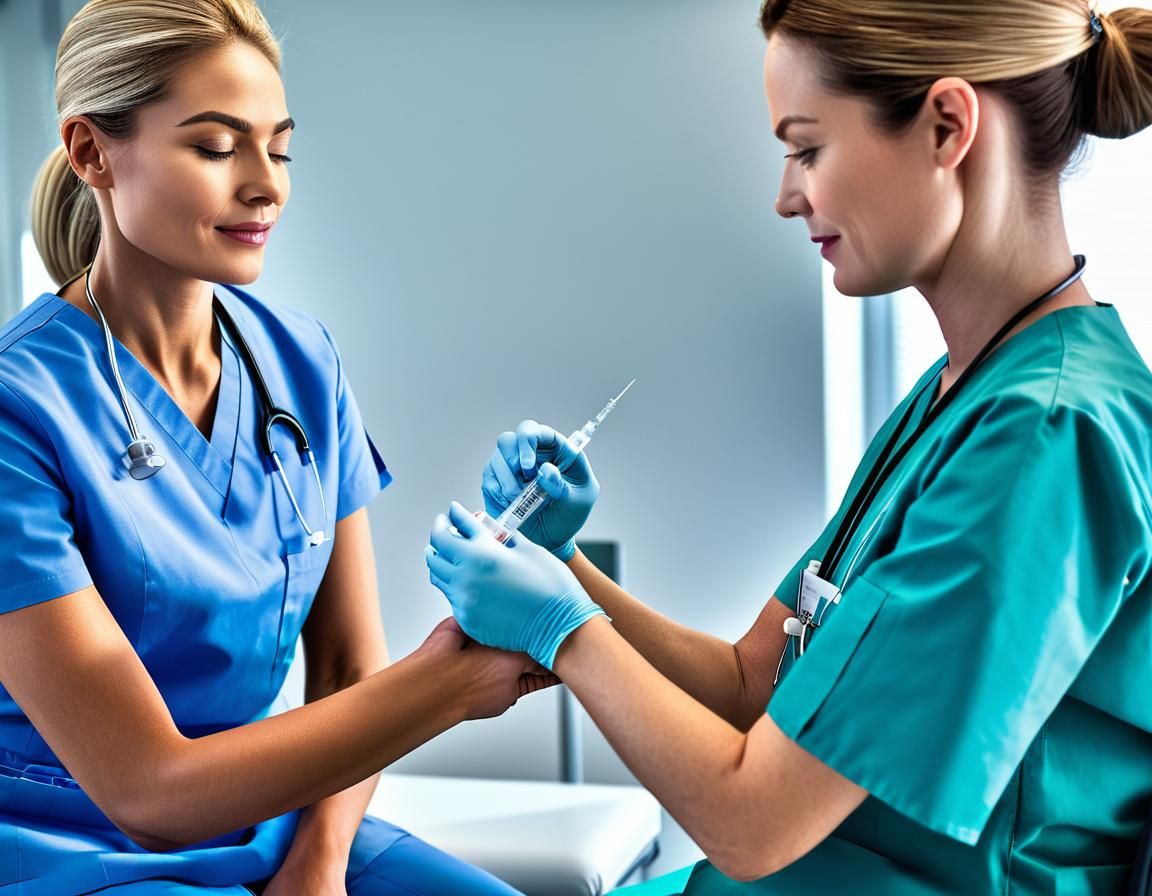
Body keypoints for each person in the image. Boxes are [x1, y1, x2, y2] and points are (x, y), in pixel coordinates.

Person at [424, 1, 1152, 892]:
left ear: (947, 126)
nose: (785, 194)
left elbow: (752, 821)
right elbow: (750, 684)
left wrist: (558, 628)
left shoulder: (1045, 434)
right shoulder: (960, 392)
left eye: (806, 148)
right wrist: (563, 567)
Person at [0, 1, 555, 894]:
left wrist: (319, 864)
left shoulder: (302, 361)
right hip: (69, 843)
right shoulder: (17, 412)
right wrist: (449, 685)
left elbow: (346, 670)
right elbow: (146, 787)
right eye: (218, 148)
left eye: (280, 147)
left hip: (281, 819)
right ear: (93, 152)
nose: (266, 185)